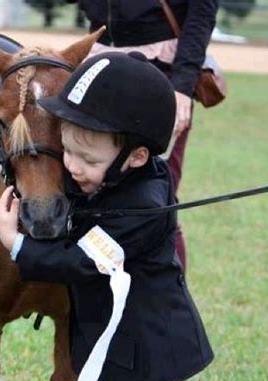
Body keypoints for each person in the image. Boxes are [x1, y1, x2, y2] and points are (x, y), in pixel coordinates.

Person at [0, 52, 213, 381]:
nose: (73, 168)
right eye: (68, 153)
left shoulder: (143, 207)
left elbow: (78, 262)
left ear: (134, 156)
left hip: (150, 341)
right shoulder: (110, 180)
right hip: (115, 342)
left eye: (87, 161)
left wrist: (16, 245)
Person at [67, 0, 219, 271]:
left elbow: (201, 14)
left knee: (156, 199)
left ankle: (166, 297)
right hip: (100, 65)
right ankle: (87, 294)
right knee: (84, 193)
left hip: (160, 75)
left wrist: (182, 86)